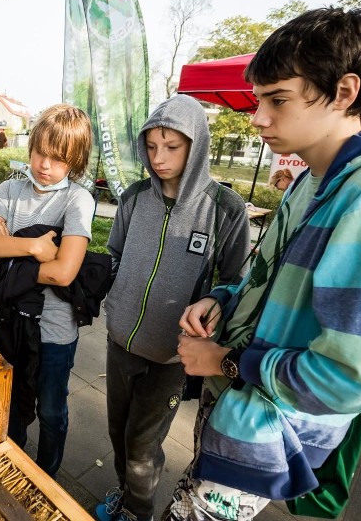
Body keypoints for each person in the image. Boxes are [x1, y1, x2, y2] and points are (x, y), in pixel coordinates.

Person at [166, 7, 361, 521]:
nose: (258, 118)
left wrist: (225, 361)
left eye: (278, 99)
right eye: (259, 99)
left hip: (271, 423)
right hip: (243, 414)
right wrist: (221, 301)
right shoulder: (314, 177)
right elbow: (268, 278)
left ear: (345, 92)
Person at [98, 95, 251, 521]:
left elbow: (237, 280)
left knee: (142, 446)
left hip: (173, 356)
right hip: (121, 342)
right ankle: (126, 495)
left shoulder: (225, 208)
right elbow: (113, 255)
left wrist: (215, 299)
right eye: (151, 146)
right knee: (118, 434)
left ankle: (137, 511)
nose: (159, 157)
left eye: (172, 146)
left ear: (196, 144)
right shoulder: (133, 197)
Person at [0, 104, 95, 478]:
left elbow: (64, 272)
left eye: (59, 159)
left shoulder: (77, 200)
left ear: (74, 161)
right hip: (9, 322)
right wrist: (34, 247)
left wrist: (10, 255)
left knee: (51, 411)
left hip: (54, 333)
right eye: (41, 152)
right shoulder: (11, 188)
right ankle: (10, 469)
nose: (45, 165)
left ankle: (46, 477)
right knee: (9, 403)